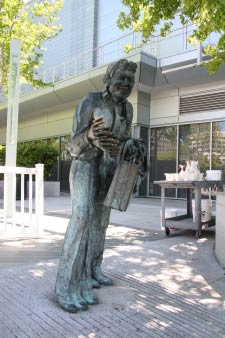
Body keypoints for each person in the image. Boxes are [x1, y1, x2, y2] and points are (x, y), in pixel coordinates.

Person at [55, 59, 146, 313]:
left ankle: (91, 273)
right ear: (109, 78)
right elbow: (72, 146)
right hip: (85, 166)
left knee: (100, 223)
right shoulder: (90, 101)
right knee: (82, 218)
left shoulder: (128, 108)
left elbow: (122, 139)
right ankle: (65, 286)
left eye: (130, 80)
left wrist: (132, 145)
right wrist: (90, 137)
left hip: (109, 171)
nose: (125, 84)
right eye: (121, 78)